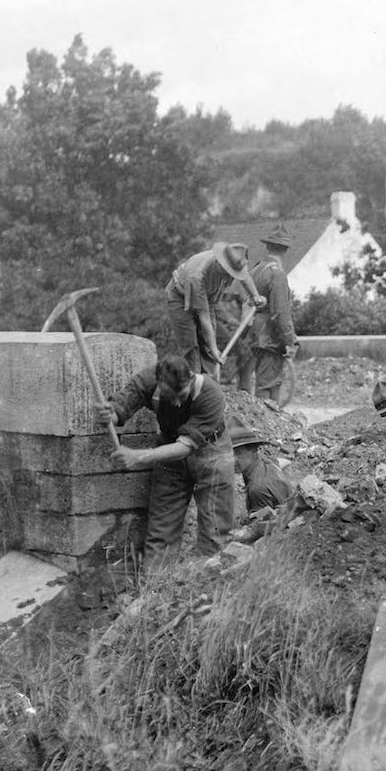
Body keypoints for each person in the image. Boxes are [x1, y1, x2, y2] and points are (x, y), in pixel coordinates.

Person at [98, 354, 235, 567]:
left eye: (181, 395)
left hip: (212, 453)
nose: (177, 402)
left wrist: (138, 457)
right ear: (160, 386)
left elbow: (183, 448)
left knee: (215, 531)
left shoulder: (211, 394)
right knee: (162, 528)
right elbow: (124, 403)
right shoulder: (149, 381)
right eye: (171, 397)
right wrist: (110, 416)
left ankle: (209, 586)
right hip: (170, 449)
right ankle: (155, 590)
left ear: (190, 379)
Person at [166, 243, 265, 376]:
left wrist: (255, 296)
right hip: (180, 297)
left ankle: (209, 385)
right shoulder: (197, 275)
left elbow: (245, 277)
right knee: (190, 345)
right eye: (228, 272)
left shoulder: (236, 259)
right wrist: (215, 350)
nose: (230, 276)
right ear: (220, 263)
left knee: (208, 345)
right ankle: (194, 385)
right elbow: (204, 317)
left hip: (207, 298)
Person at [250, 224, 300, 402]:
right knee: (268, 386)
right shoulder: (277, 274)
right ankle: (266, 427)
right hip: (270, 337)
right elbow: (280, 312)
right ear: (285, 249)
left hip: (257, 334)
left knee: (267, 382)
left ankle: (270, 424)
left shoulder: (256, 270)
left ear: (268, 246)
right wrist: (289, 340)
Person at [227, 422, 293, 513]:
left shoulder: (256, 490)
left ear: (254, 450)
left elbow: (261, 525)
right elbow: (283, 462)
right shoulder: (266, 463)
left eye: (238, 454)